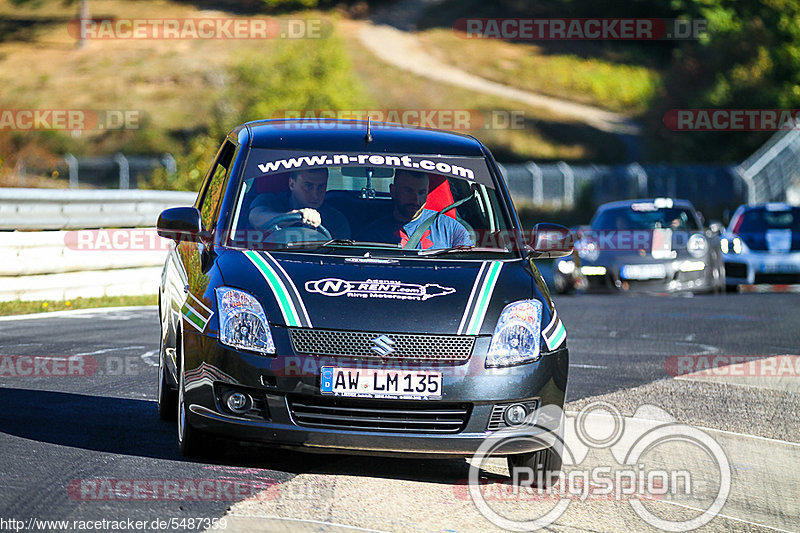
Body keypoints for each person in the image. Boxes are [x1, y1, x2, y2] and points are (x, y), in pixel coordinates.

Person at [356, 170, 473, 249]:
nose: (416, 200)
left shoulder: (451, 229)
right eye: (408, 191)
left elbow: (468, 268)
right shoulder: (371, 235)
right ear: (393, 190)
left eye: (422, 193)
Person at [248, 168, 350, 239]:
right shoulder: (270, 200)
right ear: (292, 184)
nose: (315, 195)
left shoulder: (336, 220)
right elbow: (256, 218)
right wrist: (295, 216)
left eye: (321, 187)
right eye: (308, 186)